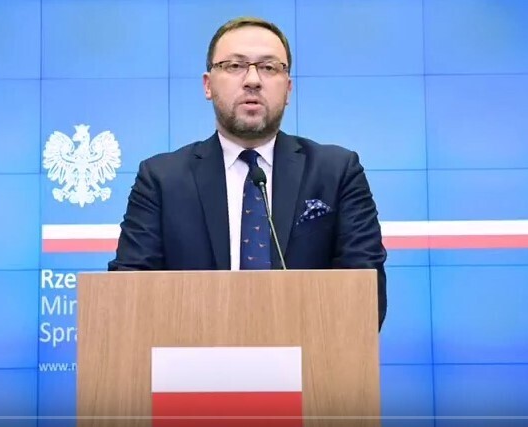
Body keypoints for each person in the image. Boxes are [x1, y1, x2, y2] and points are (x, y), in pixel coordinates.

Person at [108, 16, 387, 330]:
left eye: (269, 67)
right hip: (193, 356)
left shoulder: (336, 172)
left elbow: (365, 293)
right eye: (234, 66)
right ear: (208, 85)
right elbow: (128, 294)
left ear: (288, 88)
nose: (252, 80)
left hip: (309, 356)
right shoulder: (161, 179)